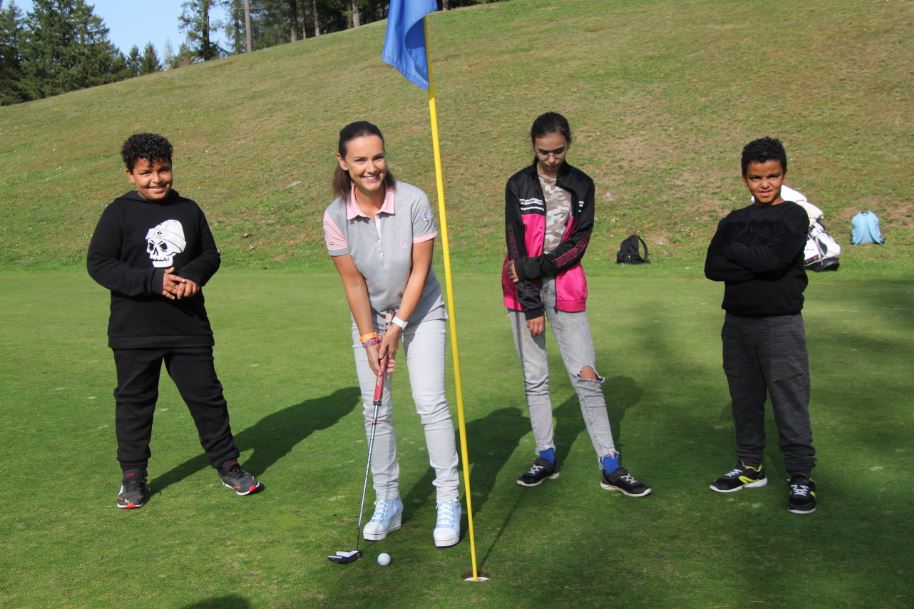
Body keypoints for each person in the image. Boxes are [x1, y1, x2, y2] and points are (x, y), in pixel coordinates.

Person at [87, 133, 261, 509]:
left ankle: (229, 466)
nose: (156, 179)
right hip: (134, 331)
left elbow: (210, 255)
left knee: (207, 398)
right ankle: (133, 478)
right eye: (146, 172)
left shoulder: (189, 210)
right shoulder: (118, 213)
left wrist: (193, 276)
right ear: (130, 174)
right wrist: (153, 281)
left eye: (163, 170)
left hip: (188, 327)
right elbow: (99, 263)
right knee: (135, 404)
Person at [322, 121, 461, 547]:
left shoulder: (414, 200)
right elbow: (353, 283)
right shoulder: (335, 216)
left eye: (378, 157)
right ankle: (388, 501)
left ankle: (448, 499)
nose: (371, 167)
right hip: (371, 317)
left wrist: (397, 327)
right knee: (376, 410)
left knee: (430, 402)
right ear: (343, 163)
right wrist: (369, 339)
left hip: (422, 313)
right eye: (360, 159)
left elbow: (420, 270)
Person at [502, 111, 651, 497]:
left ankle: (610, 464)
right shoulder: (518, 185)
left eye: (559, 151)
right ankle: (545, 456)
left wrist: (538, 267)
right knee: (535, 379)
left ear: (569, 144)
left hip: (566, 285)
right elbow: (515, 248)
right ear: (533, 146)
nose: (551, 158)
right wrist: (531, 303)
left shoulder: (582, 184)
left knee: (586, 375)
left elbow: (579, 244)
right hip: (523, 292)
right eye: (544, 152)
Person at [704, 136, 818, 515]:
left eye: (772, 176)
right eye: (756, 177)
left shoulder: (794, 216)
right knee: (745, 399)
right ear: (745, 179)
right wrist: (760, 261)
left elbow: (776, 261)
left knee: (789, 400)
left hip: (780, 325)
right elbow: (713, 267)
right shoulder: (733, 220)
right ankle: (750, 466)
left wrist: (737, 252)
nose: (765, 184)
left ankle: (800, 475)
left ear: (783, 175)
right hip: (737, 325)